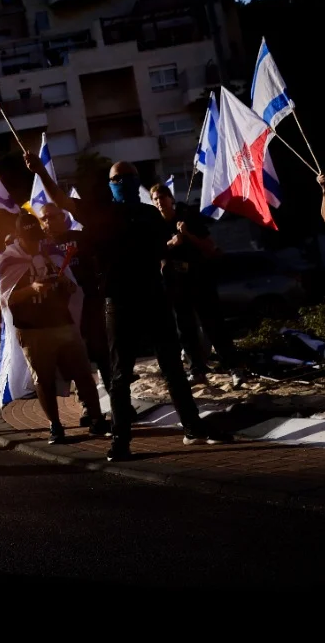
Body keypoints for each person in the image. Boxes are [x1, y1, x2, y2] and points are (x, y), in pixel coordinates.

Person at [28, 154, 226, 460]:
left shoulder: (150, 215)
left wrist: (176, 249)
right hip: (119, 302)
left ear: (138, 182)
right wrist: (40, 170)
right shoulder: (100, 214)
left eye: (129, 176)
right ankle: (120, 442)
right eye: (118, 178)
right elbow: (62, 201)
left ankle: (193, 429)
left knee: (172, 367)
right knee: (121, 375)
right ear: (110, 185)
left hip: (154, 298)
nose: (124, 182)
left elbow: (163, 253)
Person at [0, 213, 110, 444]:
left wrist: (66, 285)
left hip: (62, 322)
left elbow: (71, 287)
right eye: (29, 239)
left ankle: (97, 419)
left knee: (82, 372)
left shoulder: (51, 253)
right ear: (19, 238)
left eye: (36, 238)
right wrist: (32, 289)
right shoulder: (10, 260)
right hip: (31, 328)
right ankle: (55, 427)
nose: (34, 243)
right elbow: (6, 297)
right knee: (43, 378)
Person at [149, 182, 239, 382]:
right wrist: (171, 243)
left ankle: (232, 366)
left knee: (213, 323)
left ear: (170, 199)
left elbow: (210, 247)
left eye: (162, 198)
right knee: (185, 328)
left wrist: (188, 235)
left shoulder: (188, 218)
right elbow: (151, 253)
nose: (159, 202)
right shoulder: (154, 225)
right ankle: (196, 369)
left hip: (199, 279)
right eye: (155, 199)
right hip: (174, 283)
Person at [39, 201, 111, 404]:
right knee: (75, 359)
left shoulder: (80, 238)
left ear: (63, 217)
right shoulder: (42, 247)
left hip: (89, 303)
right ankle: (87, 404)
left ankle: (116, 399)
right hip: (62, 311)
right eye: (43, 218)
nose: (47, 221)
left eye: (51, 216)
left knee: (101, 352)